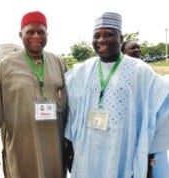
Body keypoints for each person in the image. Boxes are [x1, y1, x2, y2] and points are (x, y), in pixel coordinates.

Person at [64, 12, 169, 178]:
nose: (101, 40)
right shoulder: (83, 70)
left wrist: (149, 153)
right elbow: (69, 108)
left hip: (122, 150)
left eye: (108, 35)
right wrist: (69, 145)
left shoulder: (140, 71)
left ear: (121, 37)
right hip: (88, 150)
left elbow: (161, 101)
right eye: (97, 35)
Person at [0, 11, 73, 178]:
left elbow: (70, 109)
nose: (36, 36)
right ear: (20, 35)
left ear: (47, 35)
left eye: (41, 32)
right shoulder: (5, 67)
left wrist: (71, 146)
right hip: (22, 152)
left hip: (55, 151)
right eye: (30, 32)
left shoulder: (58, 62)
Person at [122, 40, 169, 178]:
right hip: (128, 127)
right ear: (123, 51)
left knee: (152, 164)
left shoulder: (146, 70)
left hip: (148, 125)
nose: (137, 50)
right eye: (132, 48)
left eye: (138, 47)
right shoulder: (119, 72)